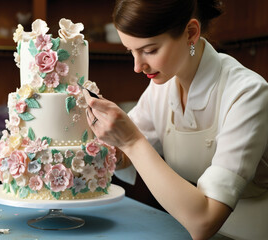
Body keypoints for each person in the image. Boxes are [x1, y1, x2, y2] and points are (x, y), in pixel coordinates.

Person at [83, 0, 268, 239]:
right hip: (184, 228)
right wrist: (111, 143)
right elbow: (126, 156)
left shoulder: (247, 93)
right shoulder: (161, 86)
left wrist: (130, 141)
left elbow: (205, 222)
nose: (137, 67)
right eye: (131, 52)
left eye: (149, 50)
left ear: (191, 33)